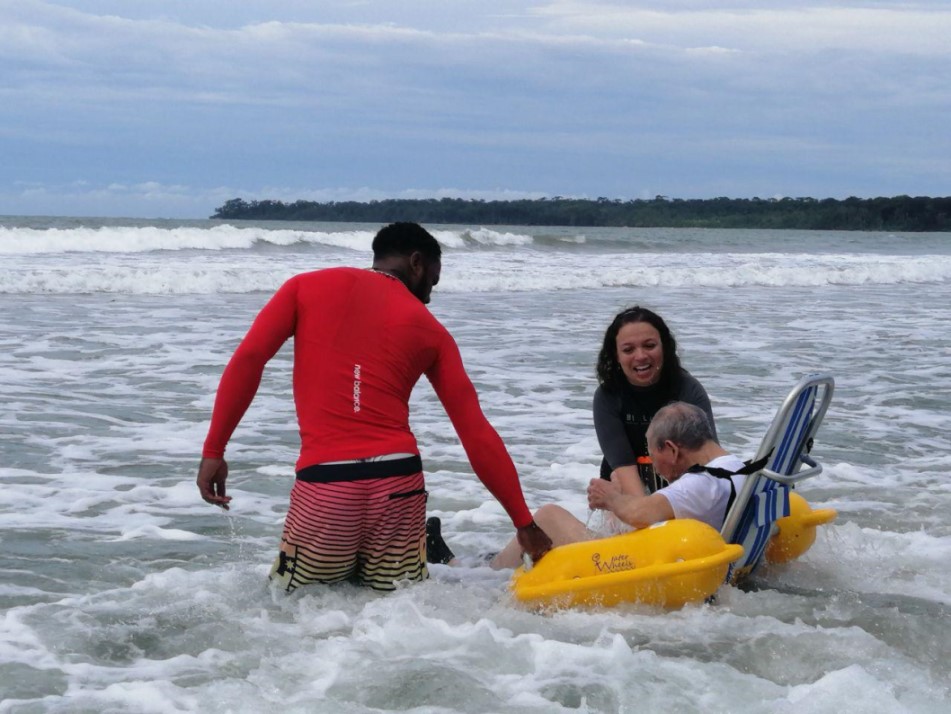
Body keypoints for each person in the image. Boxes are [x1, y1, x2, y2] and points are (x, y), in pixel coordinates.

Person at [196, 222, 552, 592]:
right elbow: (475, 432)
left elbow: (250, 359)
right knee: (395, 617)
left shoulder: (305, 287)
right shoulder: (432, 331)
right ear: (416, 263)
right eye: (432, 281)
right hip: (400, 486)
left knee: (291, 611)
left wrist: (214, 449)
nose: (429, 297)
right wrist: (523, 523)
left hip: (327, 485)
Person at [490, 401, 745, 569]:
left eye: (652, 456)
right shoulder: (737, 468)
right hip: (707, 552)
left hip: (641, 568)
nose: (655, 468)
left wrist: (610, 497)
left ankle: (489, 575)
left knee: (548, 516)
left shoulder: (700, 484)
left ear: (671, 449)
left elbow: (640, 514)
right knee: (614, 519)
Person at [593, 306, 717, 497]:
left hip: (680, 488)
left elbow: (709, 460)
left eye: (649, 346)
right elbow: (624, 469)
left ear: (665, 347)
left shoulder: (687, 389)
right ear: (616, 355)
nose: (641, 356)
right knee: (616, 483)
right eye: (628, 349)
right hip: (624, 488)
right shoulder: (608, 396)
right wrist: (648, 516)